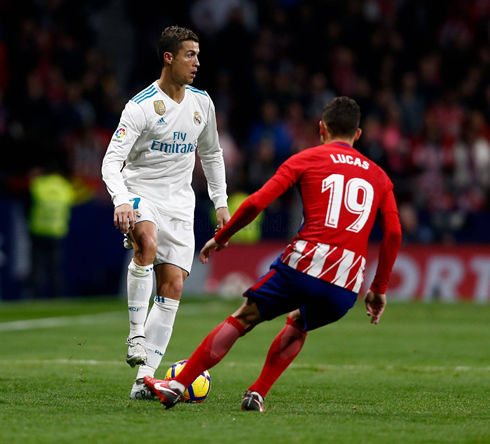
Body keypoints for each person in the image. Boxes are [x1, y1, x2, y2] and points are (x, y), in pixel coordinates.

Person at [144, 96, 402, 411]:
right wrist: (378, 289)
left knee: (244, 317)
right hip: (347, 283)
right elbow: (393, 233)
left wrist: (222, 237)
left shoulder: (305, 159)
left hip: (307, 263)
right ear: (358, 135)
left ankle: (176, 385)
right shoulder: (379, 176)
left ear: (321, 128)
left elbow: (255, 202)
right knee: (299, 322)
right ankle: (257, 393)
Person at [101, 26, 230, 399]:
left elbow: (212, 153)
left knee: (172, 286)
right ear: (168, 58)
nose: (197, 63)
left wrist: (220, 202)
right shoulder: (140, 106)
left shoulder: (201, 103)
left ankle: (144, 380)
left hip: (180, 203)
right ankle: (135, 334)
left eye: (198, 55)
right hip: (142, 192)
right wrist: (122, 200)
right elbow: (112, 162)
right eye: (190, 55)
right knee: (147, 243)